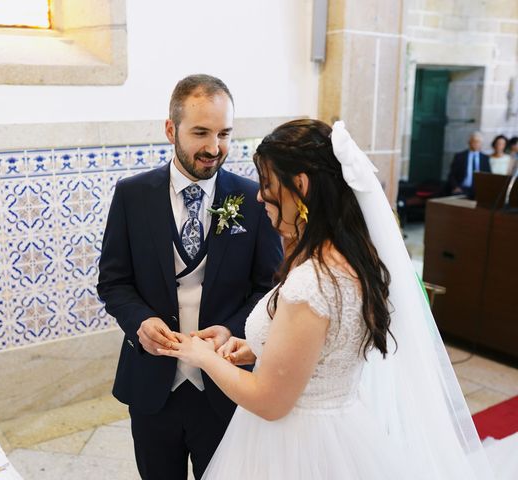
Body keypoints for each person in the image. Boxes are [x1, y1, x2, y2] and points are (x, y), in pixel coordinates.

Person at [159, 119, 496, 479]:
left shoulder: (312, 282)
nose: (259, 196)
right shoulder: (353, 258)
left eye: (267, 183)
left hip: (296, 446)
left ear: (300, 185)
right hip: (342, 426)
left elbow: (270, 402)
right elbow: (325, 344)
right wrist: (255, 346)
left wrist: (202, 357)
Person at [96, 74, 282, 480]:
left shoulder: (252, 199)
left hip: (226, 386)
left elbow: (267, 290)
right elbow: (113, 282)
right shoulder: (132, 195)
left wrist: (231, 331)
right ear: (170, 129)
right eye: (201, 132)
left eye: (224, 133)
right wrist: (140, 322)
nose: (214, 148)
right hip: (151, 384)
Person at [446, 131, 491, 196]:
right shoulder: (460, 156)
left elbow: (488, 175)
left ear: (481, 144)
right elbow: (452, 175)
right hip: (461, 189)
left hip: (478, 190)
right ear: (469, 142)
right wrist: (455, 187)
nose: (476, 144)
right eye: (474, 141)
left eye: (478, 142)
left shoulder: (485, 158)